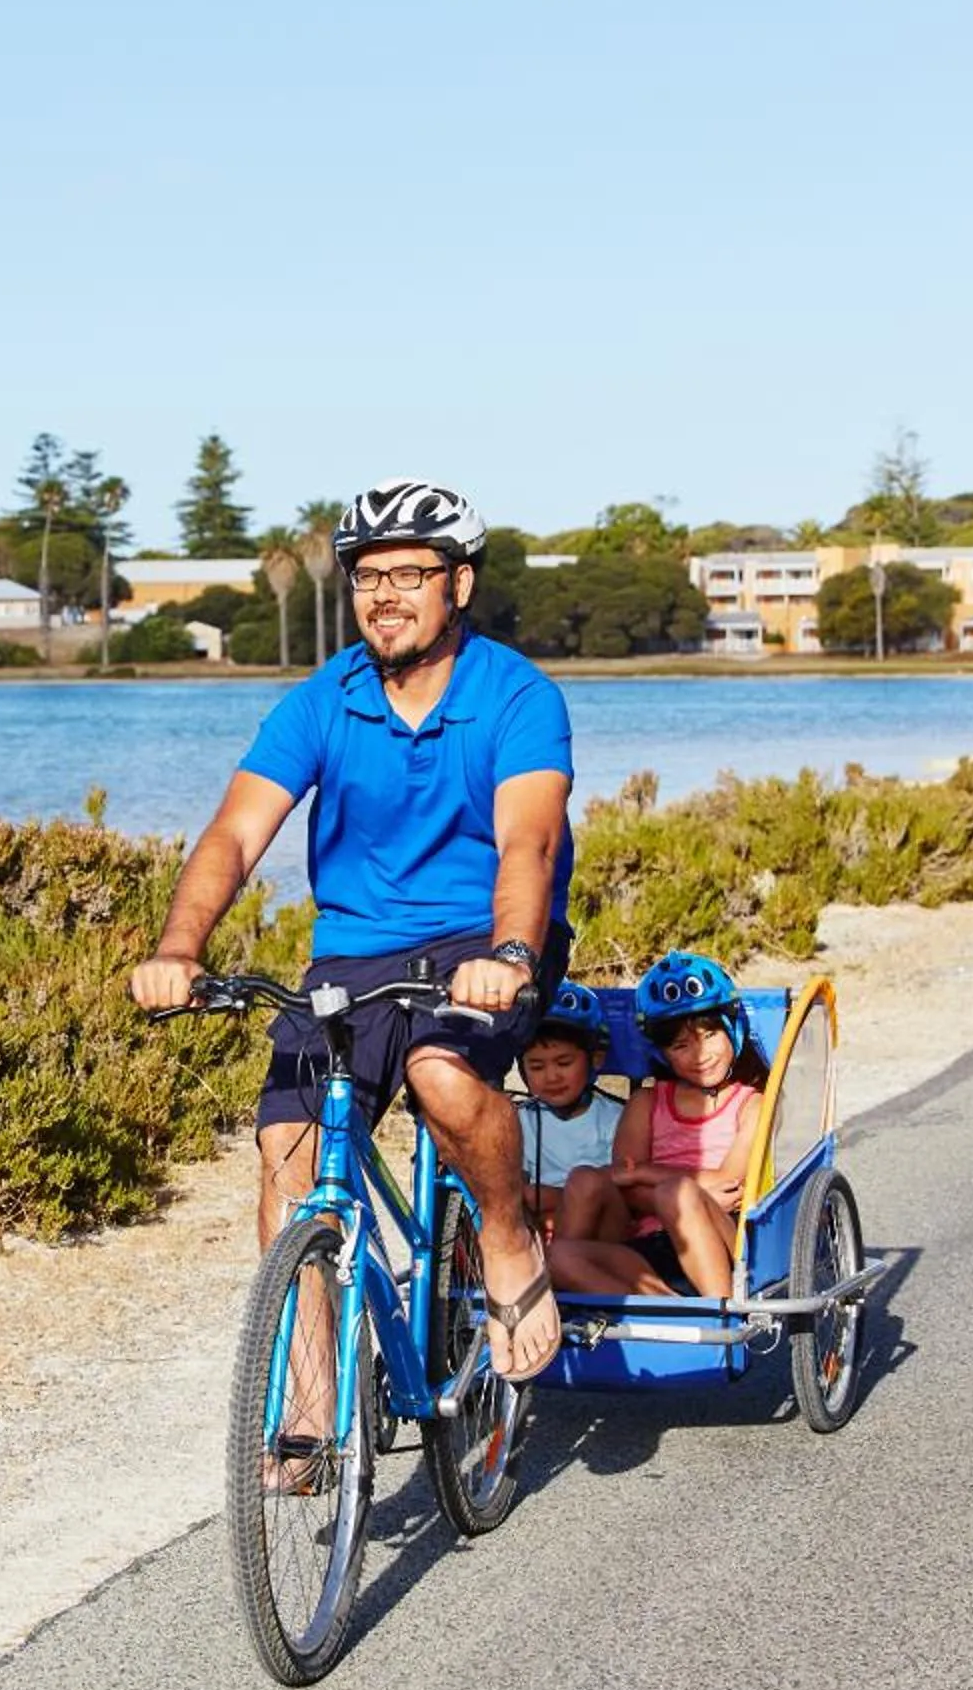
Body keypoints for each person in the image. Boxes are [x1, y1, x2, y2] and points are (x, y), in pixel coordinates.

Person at [128, 478, 575, 1381]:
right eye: (368, 576)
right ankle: (306, 1400)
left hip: (481, 941)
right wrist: (179, 948)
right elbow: (236, 832)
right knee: (288, 1150)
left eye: (411, 573)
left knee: (441, 1074)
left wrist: (512, 956)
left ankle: (506, 1233)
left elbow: (528, 843)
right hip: (355, 954)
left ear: (460, 585)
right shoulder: (322, 699)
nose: (385, 595)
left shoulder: (516, 695)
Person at [551, 953, 766, 1300]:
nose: (700, 1054)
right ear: (663, 1053)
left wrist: (649, 1176)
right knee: (567, 1228)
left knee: (675, 1192)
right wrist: (674, 1190)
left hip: (720, 1240)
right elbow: (623, 1183)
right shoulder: (648, 1102)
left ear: (731, 1030)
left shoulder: (749, 1104)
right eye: (681, 1045)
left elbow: (729, 1185)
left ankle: (721, 1319)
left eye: (710, 1035)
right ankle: (665, 1311)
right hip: (646, 1244)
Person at [516, 981, 623, 1238]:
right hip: (544, 1226)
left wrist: (561, 1203)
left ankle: (560, 1264)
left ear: (595, 1059)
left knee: (586, 1186)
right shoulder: (521, 1120)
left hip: (607, 1228)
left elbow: (624, 1188)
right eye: (537, 1067)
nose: (551, 1077)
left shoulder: (616, 1118)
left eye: (564, 1062)